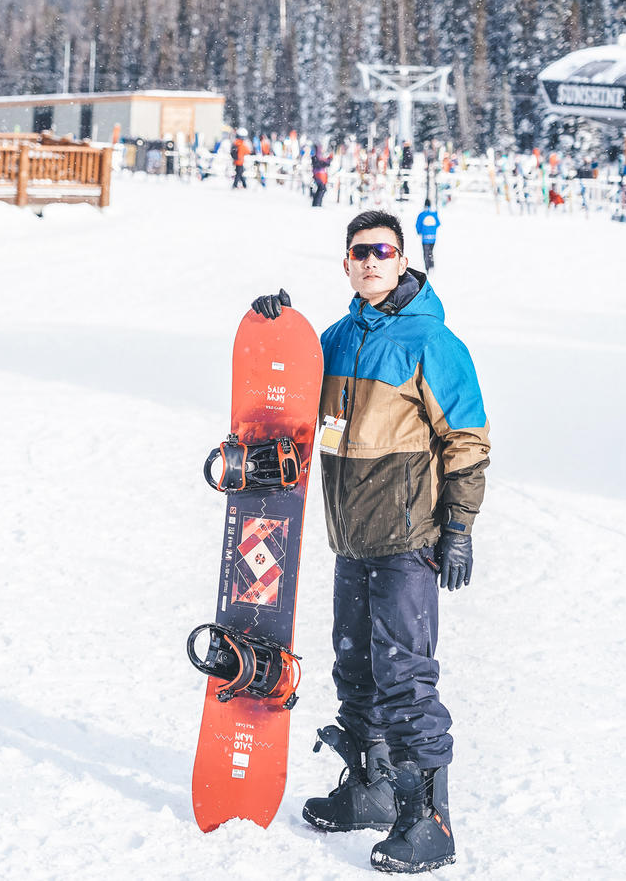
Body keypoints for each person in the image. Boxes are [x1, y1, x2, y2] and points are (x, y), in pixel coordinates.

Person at [251, 210, 490, 874]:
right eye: (359, 251)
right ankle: (372, 787)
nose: (370, 260)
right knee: (354, 665)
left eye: (382, 249)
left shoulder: (433, 343)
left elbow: (467, 442)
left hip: (407, 536)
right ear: (347, 262)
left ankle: (431, 819)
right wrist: (278, 328)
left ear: (402, 257)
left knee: (405, 678)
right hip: (350, 535)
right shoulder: (332, 339)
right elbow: (285, 390)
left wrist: (461, 528)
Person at [415, 203, 441, 271]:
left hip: (425, 238)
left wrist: (419, 232)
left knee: (426, 252)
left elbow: (418, 225)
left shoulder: (421, 214)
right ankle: (431, 265)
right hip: (433, 237)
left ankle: (427, 267)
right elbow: (438, 224)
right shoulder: (433, 214)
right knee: (430, 251)